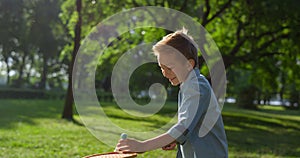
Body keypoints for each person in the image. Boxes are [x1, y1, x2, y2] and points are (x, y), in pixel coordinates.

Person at [116, 28, 228, 158]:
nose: (165, 73)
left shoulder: (196, 87)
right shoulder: (188, 85)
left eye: (169, 67)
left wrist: (142, 146)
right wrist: (174, 138)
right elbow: (192, 123)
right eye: (161, 68)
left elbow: (183, 127)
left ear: (188, 65)